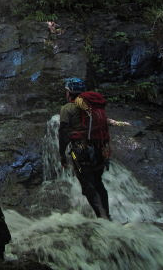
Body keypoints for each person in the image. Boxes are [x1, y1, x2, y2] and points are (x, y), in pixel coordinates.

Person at [58, 77, 111, 219]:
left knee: (88, 185)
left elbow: (63, 132)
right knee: (98, 183)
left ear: (69, 92)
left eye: (66, 91)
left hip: (80, 152)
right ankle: (107, 216)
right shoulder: (92, 108)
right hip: (100, 149)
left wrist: (62, 154)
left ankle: (102, 217)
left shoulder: (67, 108)